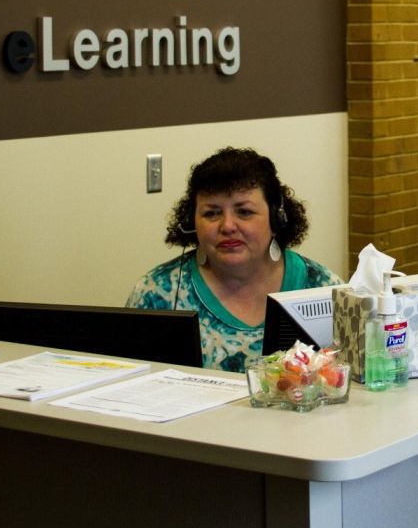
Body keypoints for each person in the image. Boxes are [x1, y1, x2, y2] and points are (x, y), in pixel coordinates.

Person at [126, 147, 343, 372]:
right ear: (192, 222)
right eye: (212, 213)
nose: (227, 226)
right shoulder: (156, 294)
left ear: (277, 217)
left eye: (245, 212)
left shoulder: (325, 288)